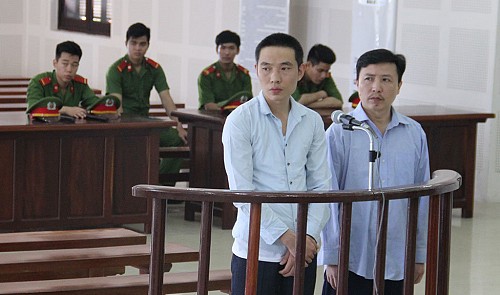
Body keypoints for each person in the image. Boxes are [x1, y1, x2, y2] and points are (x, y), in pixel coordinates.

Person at [222, 32, 332, 295]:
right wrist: (289, 239)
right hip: (256, 250)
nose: (275, 77)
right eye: (266, 68)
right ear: (255, 70)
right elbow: (243, 193)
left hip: (304, 250)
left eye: (285, 68)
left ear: (300, 70)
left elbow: (321, 186)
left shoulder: (312, 121)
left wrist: (308, 238)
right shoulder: (241, 121)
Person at [319, 49, 430, 295]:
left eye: (386, 80)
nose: (376, 87)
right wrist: (332, 256)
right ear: (357, 83)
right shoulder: (339, 133)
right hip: (351, 256)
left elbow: (422, 199)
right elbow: (329, 197)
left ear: (399, 85)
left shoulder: (414, 133)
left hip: (397, 255)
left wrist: (419, 253)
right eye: (368, 79)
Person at [106, 22, 187, 185]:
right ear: (126, 43)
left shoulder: (154, 68)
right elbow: (116, 105)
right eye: (133, 43)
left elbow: (166, 99)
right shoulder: (116, 70)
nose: (138, 48)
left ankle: (161, 187)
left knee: (176, 139)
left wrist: (179, 126)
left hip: (146, 121)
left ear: (148, 45)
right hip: (125, 123)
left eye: (142, 44)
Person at [27, 41, 101, 118]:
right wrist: (66, 110)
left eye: (74, 65)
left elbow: (95, 104)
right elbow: (33, 107)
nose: (69, 69)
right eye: (65, 64)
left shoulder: (80, 84)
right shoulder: (39, 82)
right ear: (55, 63)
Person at [198, 30, 252, 110]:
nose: (227, 52)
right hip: (211, 119)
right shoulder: (206, 75)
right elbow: (209, 106)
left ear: (237, 50)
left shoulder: (244, 75)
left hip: (238, 119)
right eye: (223, 48)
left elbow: (248, 102)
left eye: (231, 48)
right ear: (217, 50)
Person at [291, 44, 343, 109]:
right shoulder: (294, 75)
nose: (323, 75)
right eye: (320, 70)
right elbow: (297, 101)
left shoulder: (326, 76)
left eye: (326, 71)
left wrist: (307, 105)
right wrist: (321, 94)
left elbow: (338, 101)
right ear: (308, 65)